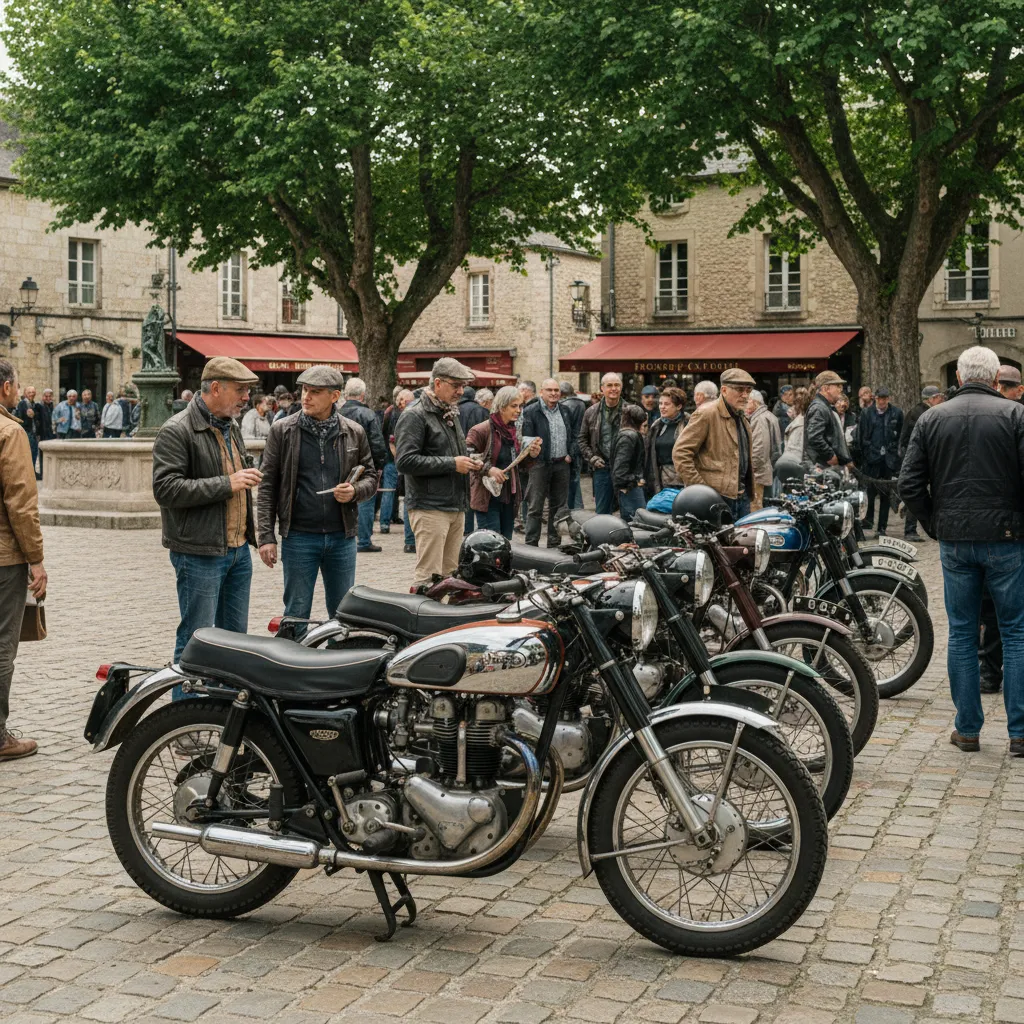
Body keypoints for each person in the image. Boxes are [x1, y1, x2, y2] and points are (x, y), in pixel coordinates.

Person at [900, 345, 1024, 755]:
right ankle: (1019, 732)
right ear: (993, 379)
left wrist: (934, 522)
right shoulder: (1015, 415)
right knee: (1015, 633)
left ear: (958, 377)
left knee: (963, 633)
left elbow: (910, 484)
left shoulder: (933, 418)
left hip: (956, 539)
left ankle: (968, 728)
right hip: (1005, 537)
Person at [152, 357, 262, 685]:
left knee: (234, 642)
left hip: (237, 551)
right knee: (196, 641)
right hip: (199, 553)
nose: (247, 397)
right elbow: (165, 489)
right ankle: (182, 716)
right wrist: (227, 483)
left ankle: (222, 715)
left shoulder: (232, 427)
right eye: (240, 390)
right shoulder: (177, 429)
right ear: (215, 388)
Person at [257, 366, 377, 630]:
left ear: (335, 396)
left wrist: (355, 491)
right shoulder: (283, 430)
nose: (306, 397)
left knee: (344, 612)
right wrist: (266, 536)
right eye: (304, 390)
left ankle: (339, 662)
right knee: (297, 612)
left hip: (341, 536)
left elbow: (371, 476)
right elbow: (268, 486)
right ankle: (293, 664)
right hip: (299, 536)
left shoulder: (353, 431)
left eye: (315, 392)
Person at [395, 357, 477, 586]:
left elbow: (454, 453)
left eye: (463, 386)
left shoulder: (448, 411)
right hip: (429, 506)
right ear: (438, 383)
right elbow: (404, 461)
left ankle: (444, 619)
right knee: (429, 576)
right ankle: (423, 619)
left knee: (450, 575)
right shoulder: (415, 414)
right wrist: (452, 463)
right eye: (456, 385)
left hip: (454, 503)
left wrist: (473, 463)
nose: (461, 391)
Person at [0, 359, 46, 760]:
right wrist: (36, 560)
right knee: (2, 644)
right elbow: (21, 503)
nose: (18, 391)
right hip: (3, 558)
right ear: (5, 389)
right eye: (16, 385)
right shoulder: (10, 432)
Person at [673, 367, 756, 519]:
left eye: (748, 390)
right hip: (716, 497)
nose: (745, 395)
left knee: (741, 541)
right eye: (739, 390)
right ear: (724, 390)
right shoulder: (707, 413)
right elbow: (680, 453)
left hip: (740, 496)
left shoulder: (741, 417)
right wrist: (702, 490)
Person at [467, 386, 541, 539]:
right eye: (514, 406)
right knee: (491, 543)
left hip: (509, 495)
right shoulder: (481, 430)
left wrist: (531, 455)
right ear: (501, 406)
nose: (519, 410)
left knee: (506, 542)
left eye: (520, 406)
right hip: (487, 496)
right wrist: (489, 469)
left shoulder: (513, 431)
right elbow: (468, 457)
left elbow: (518, 465)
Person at [521, 378, 575, 547]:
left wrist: (570, 453)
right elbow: (525, 438)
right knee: (535, 507)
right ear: (541, 392)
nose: (553, 393)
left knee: (558, 507)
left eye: (556, 390)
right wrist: (535, 457)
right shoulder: (531, 411)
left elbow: (573, 435)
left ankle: (554, 542)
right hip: (539, 464)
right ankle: (531, 543)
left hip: (561, 464)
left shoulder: (565, 410)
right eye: (549, 390)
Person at [339, 378, 388, 553]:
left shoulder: (337, 412)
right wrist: (378, 465)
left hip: (340, 462)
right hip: (364, 463)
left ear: (345, 394)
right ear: (362, 395)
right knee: (365, 500)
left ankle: (345, 535)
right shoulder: (368, 414)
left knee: (342, 497)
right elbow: (377, 443)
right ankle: (364, 540)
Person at [857, 385, 903, 537]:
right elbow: (861, 436)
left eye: (884, 398)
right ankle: (868, 522)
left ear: (888, 399)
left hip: (888, 460)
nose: (882, 401)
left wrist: (895, 453)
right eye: (879, 398)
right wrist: (867, 453)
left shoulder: (896, 413)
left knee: (885, 494)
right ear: (875, 398)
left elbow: (900, 436)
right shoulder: (866, 413)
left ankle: (882, 527)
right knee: (869, 492)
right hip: (872, 459)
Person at [899, 385, 945, 541]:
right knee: (915, 490)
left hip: (920, 458)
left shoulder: (924, 412)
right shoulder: (921, 414)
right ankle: (910, 529)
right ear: (931, 399)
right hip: (916, 460)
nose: (942, 400)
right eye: (939, 397)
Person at [578, 372, 624, 514]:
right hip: (602, 468)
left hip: (625, 469)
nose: (613, 388)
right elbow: (582, 439)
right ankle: (603, 537)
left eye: (617, 385)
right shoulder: (591, 412)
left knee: (629, 513)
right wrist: (592, 458)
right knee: (602, 512)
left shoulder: (630, 411)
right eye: (609, 385)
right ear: (602, 388)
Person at [803, 371, 853, 469]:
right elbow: (814, 437)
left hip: (826, 466)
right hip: (822, 468)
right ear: (826, 388)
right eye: (837, 386)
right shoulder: (819, 407)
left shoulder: (823, 406)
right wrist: (830, 456)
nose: (840, 389)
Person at [644, 386, 687, 497]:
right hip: (661, 481)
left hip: (683, 482)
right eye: (660, 403)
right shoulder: (657, 425)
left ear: (679, 406)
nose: (662, 407)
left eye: (667, 404)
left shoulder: (689, 423)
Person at [457, 385, 489, 532]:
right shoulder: (480, 411)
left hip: (458, 455)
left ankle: (466, 528)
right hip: (477, 455)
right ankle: (479, 528)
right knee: (476, 491)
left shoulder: (454, 410)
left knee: (464, 491)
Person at [612, 404, 649, 522]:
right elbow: (619, 472)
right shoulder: (628, 437)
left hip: (629, 487)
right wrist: (636, 480)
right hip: (630, 488)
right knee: (637, 524)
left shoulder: (628, 435)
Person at [747, 389, 782, 507]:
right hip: (766, 470)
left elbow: (759, 450)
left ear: (753, 402)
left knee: (756, 510)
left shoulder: (759, 419)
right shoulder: (767, 415)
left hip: (758, 475)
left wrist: (750, 472)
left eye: (746, 401)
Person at [559, 382, 588, 510]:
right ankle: (577, 508)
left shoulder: (566, 405)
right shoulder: (581, 403)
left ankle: (574, 509)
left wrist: (566, 451)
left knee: (569, 482)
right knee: (575, 480)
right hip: (579, 445)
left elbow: (566, 430)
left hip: (570, 446)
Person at [14, 385, 41, 478]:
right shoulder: (22, 404)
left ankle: (32, 472)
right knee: (28, 454)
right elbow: (19, 418)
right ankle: (28, 474)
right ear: (25, 393)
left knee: (34, 453)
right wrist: (27, 417)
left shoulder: (34, 404)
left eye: (33, 392)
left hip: (34, 433)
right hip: (27, 432)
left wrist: (34, 415)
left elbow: (36, 418)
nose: (31, 394)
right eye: (29, 392)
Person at [782, 387, 811, 464]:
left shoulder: (799, 425)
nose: (790, 409)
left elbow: (794, 450)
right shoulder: (806, 420)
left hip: (796, 463)